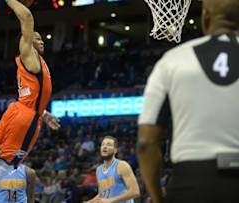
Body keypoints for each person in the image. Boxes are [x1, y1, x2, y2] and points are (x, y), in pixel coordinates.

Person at [136, 0, 239, 202]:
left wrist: (157, 198)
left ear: (206, 17)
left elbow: (145, 142)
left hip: (192, 183)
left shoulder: (172, 61)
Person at [0, 0, 60, 202]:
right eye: (37, 37)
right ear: (27, 41)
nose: (42, 41)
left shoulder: (35, 61)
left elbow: (32, 95)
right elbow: (27, 17)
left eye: (42, 38)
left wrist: (45, 113)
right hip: (25, 117)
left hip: (17, 109)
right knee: (5, 164)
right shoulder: (29, 55)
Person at [85, 136, 140, 203]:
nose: (104, 147)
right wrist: (89, 202)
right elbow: (101, 195)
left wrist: (110, 200)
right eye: (103, 144)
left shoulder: (122, 165)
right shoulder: (98, 170)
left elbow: (135, 191)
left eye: (109, 145)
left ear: (115, 150)